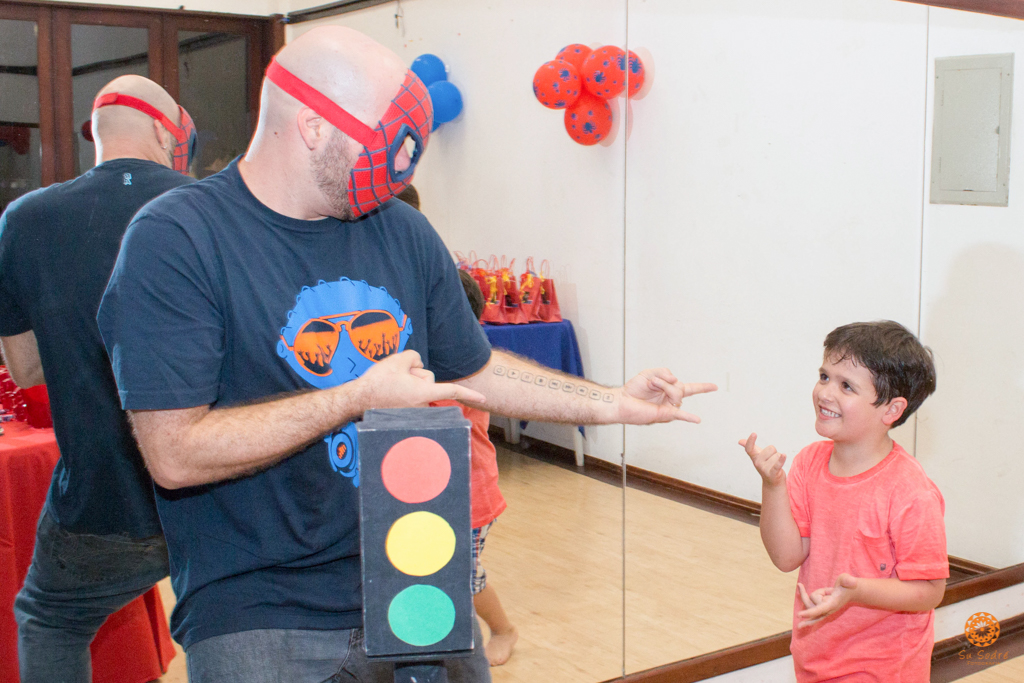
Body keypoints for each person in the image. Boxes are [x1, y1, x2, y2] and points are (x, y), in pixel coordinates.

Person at [96, 26, 716, 683]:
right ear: (311, 126)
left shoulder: (402, 229)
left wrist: (612, 401)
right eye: (384, 141)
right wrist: (356, 398)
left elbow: (476, 369)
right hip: (259, 605)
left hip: (415, 574)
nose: (397, 166)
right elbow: (175, 453)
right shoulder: (177, 239)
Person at [0, 75, 196, 682]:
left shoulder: (26, 218)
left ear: (96, 136)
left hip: (103, 500)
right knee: (227, 617)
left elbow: (25, 370)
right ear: (165, 131)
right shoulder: (213, 205)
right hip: (216, 488)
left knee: (50, 620)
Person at [740, 320, 947, 682]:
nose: (825, 393)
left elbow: (930, 592)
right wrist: (773, 487)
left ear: (891, 410)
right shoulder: (809, 462)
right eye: (824, 377)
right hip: (815, 658)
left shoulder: (911, 492)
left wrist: (857, 592)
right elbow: (786, 557)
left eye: (846, 386)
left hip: (882, 669)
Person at [432, 269, 518, 667]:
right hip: (430, 493)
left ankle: (503, 629)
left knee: (464, 577)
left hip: (469, 499)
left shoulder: (468, 370)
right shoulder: (431, 359)